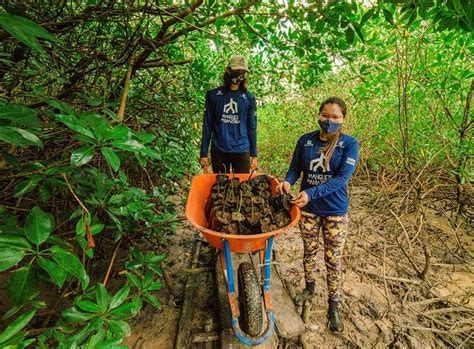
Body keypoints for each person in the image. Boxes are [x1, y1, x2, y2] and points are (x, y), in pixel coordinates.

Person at [277, 96, 359, 333]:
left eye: (336, 117)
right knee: (309, 252)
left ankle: (334, 305)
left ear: (343, 119)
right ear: (318, 115)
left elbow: (341, 178)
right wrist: (287, 182)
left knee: (333, 260)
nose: (330, 120)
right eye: (326, 115)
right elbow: (295, 169)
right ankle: (310, 288)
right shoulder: (305, 141)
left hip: (334, 211)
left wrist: (311, 193)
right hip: (308, 211)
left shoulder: (349, 144)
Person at [199, 55, 258, 174]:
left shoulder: (249, 98)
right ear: (228, 70)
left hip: (241, 149)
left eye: (242, 72)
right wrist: (203, 153)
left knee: (242, 188)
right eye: (236, 71)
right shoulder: (213, 95)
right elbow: (207, 125)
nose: (239, 74)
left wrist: (254, 154)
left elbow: (252, 127)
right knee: (220, 187)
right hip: (219, 149)